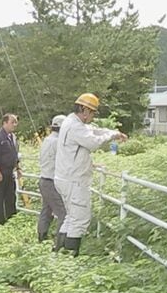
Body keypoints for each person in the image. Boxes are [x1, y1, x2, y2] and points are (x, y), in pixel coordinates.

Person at [54, 94, 125, 256]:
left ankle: (59, 253)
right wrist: (110, 136)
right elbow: (93, 142)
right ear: (84, 110)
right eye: (92, 112)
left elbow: (92, 130)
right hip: (74, 180)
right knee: (80, 220)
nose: (92, 116)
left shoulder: (69, 122)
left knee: (71, 218)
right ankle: (70, 259)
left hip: (65, 178)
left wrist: (113, 133)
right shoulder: (76, 127)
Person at [36, 115, 69, 246]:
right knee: (63, 213)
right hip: (53, 181)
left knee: (47, 209)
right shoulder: (58, 143)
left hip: (44, 179)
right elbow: (66, 161)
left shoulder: (47, 140)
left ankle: (42, 237)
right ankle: (60, 243)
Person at [0, 114, 21, 224]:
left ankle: (11, 219)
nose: (15, 125)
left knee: (10, 196)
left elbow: (14, 154)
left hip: (9, 171)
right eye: (12, 122)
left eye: (16, 122)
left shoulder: (13, 137)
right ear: (5, 123)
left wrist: (18, 167)